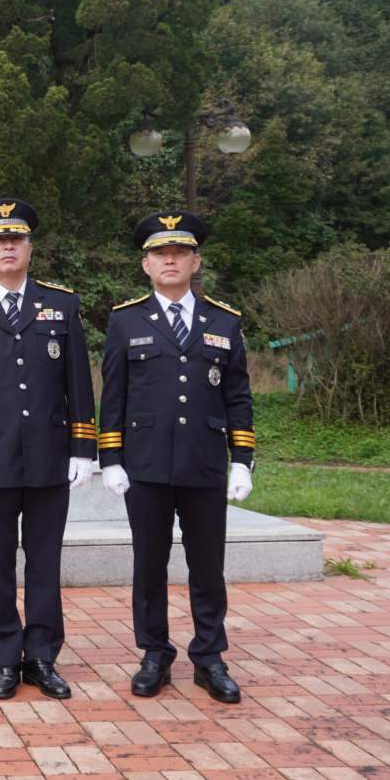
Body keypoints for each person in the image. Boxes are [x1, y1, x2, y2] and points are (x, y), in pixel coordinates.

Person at [0, 199, 97, 701]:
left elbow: (78, 382)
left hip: (51, 455)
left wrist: (82, 448)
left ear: (29, 248)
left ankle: (43, 656)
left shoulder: (62, 306)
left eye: (17, 239)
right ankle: (6, 656)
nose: (8, 247)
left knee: (45, 561)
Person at [99, 211, 255, 704]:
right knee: (150, 563)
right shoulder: (125, 321)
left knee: (208, 564)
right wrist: (111, 457)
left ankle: (209, 656)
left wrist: (242, 459)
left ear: (195, 261)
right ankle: (155, 653)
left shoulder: (224, 321)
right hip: (144, 465)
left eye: (180, 253)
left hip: (204, 462)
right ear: (145, 265)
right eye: (160, 254)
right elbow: (114, 396)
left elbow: (238, 396)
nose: (170, 261)